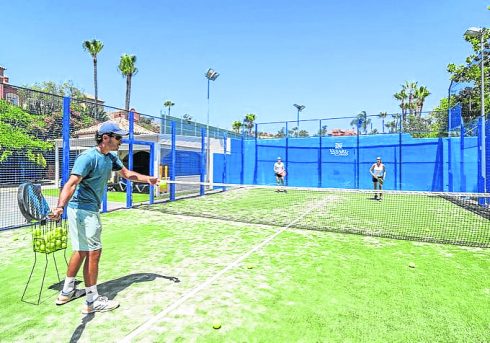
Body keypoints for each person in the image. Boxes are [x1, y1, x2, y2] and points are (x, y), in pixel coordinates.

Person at [50, 121, 159, 314]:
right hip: (84, 210)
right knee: (94, 252)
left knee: (82, 250)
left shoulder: (111, 157)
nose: (120, 141)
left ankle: (66, 292)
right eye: (118, 137)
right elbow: (72, 183)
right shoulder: (88, 157)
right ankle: (92, 302)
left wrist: (147, 179)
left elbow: (127, 175)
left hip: (84, 210)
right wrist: (60, 207)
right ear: (105, 138)